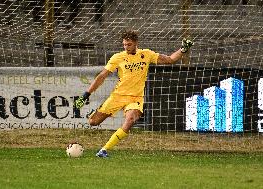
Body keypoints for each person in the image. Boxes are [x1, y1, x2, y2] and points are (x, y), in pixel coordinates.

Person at [75, 30, 193, 158]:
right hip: (118, 96)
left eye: (129, 44)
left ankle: (104, 150)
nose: (126, 47)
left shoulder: (146, 54)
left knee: (131, 120)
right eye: (124, 44)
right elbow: (102, 76)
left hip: (135, 98)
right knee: (93, 122)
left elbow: (169, 59)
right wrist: (86, 94)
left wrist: (183, 49)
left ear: (136, 43)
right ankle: (99, 115)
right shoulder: (117, 57)